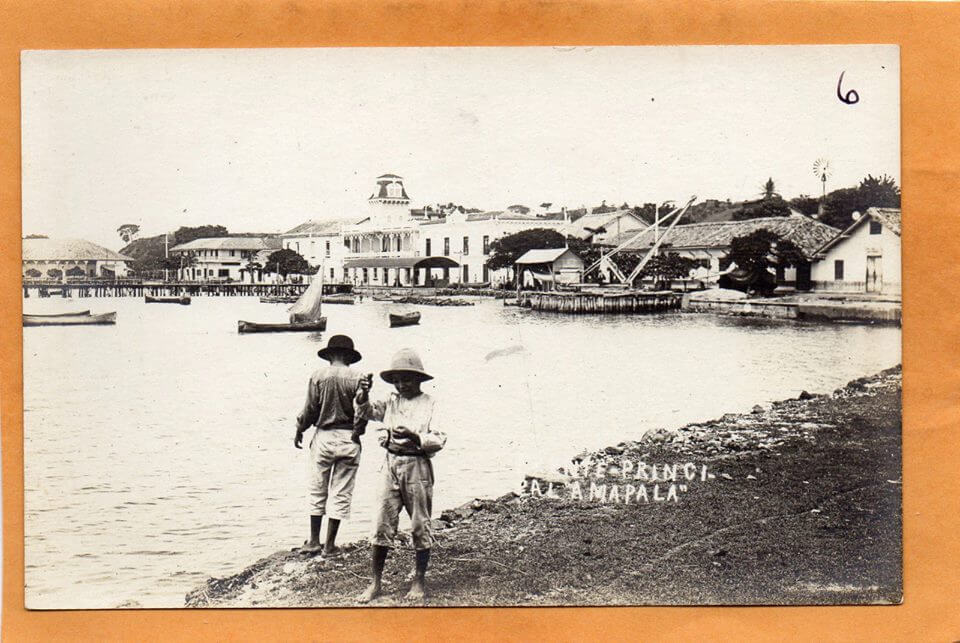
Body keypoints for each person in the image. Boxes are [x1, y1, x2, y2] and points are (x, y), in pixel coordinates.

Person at [355, 348, 446, 602]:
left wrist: (415, 436)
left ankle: (419, 579)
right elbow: (367, 412)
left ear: (418, 379)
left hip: (417, 466)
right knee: (381, 521)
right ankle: (375, 582)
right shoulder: (390, 401)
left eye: (406, 379)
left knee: (419, 523)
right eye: (396, 380)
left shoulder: (430, 403)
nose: (401, 385)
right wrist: (363, 394)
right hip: (390, 464)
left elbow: (439, 438)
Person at [294, 334, 367, 557]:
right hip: (348, 437)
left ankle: (314, 540)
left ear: (330, 355)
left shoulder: (318, 376)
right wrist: (357, 433)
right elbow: (363, 413)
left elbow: (310, 410)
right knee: (341, 491)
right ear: (349, 356)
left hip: (324, 436)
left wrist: (300, 428)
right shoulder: (359, 378)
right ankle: (330, 545)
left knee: (318, 488)